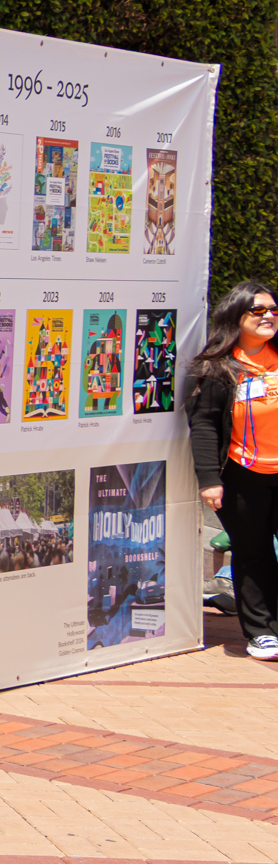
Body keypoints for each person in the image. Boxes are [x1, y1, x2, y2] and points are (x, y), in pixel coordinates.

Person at [188, 281, 278, 659]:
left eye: (274, 309)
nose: (269, 316)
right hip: (243, 474)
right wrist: (209, 478)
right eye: (258, 310)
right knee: (253, 551)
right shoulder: (219, 368)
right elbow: (204, 424)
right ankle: (262, 631)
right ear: (236, 316)